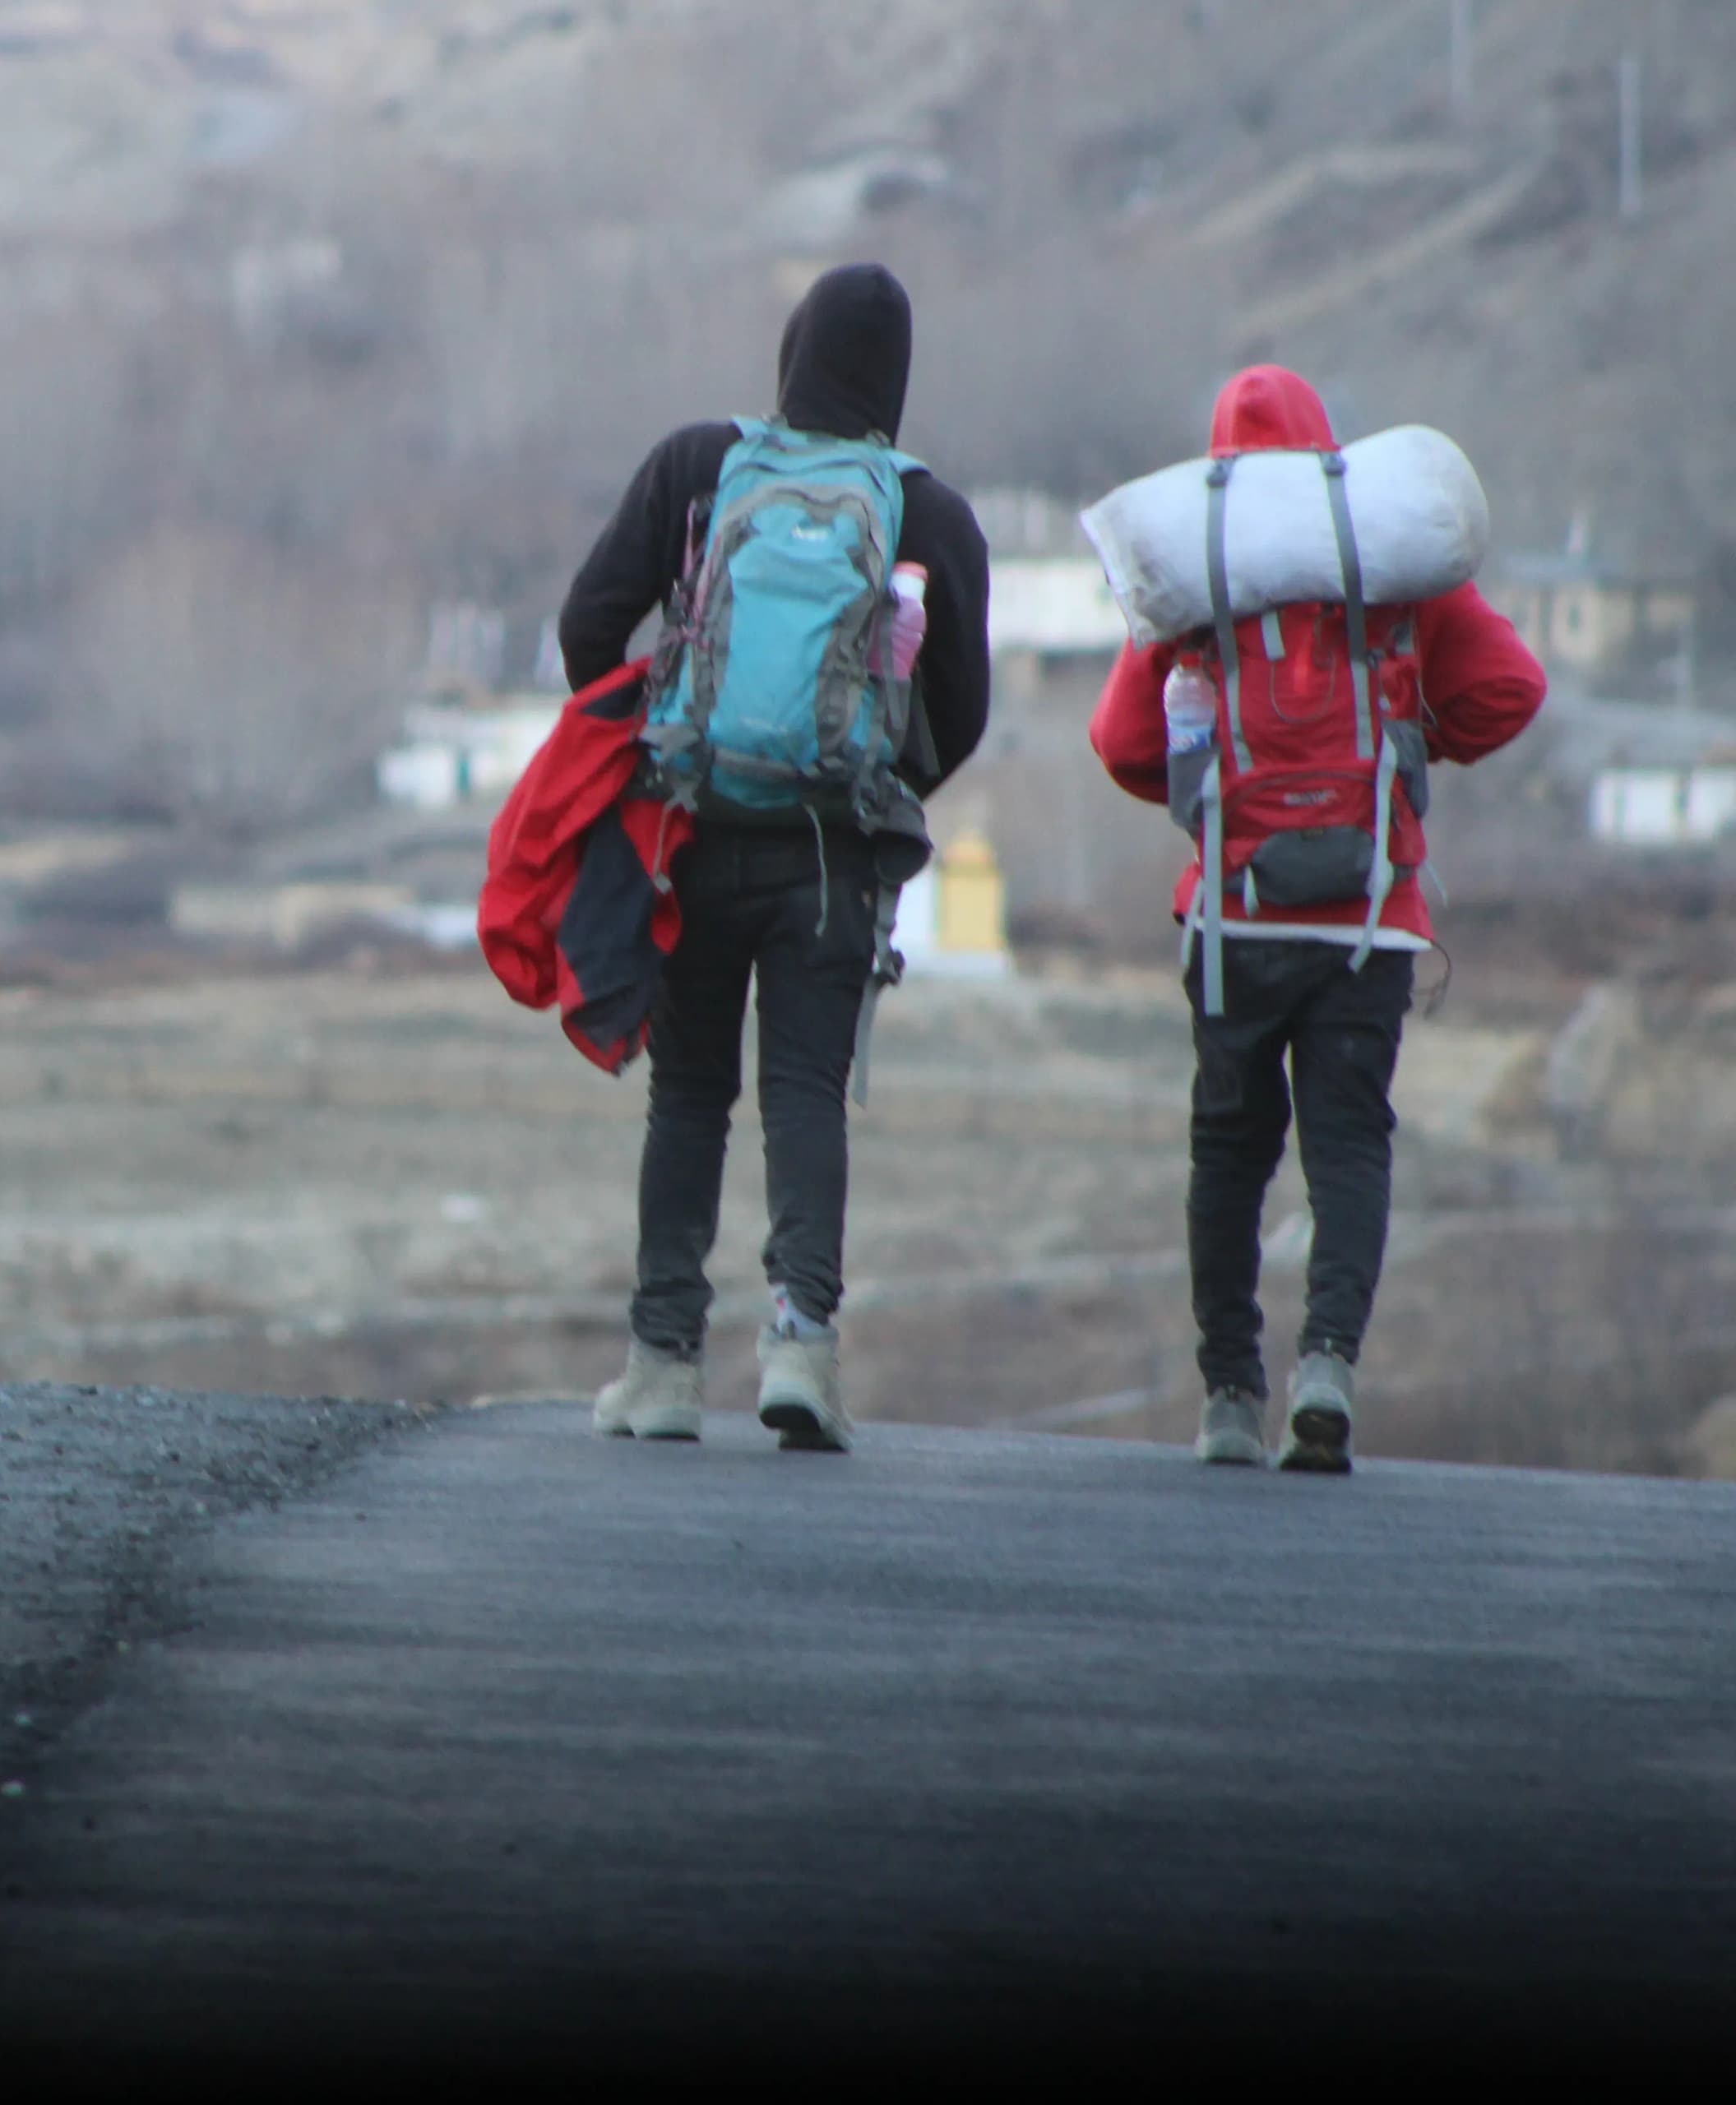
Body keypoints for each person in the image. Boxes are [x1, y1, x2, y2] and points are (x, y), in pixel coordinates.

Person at [557, 263, 993, 1450]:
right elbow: (964, 710)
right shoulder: (926, 513)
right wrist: (873, 793)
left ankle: (660, 1369)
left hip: (693, 832)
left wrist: (648, 739)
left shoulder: (701, 468)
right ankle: (801, 1350)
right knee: (805, 1097)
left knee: (690, 1094)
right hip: (831, 862)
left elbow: (587, 619)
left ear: (792, 350)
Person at [1089, 365, 1544, 1474]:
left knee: (1228, 1155)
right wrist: (1408, 752)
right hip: (1367, 926)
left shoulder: (1206, 569)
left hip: (1233, 924)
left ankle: (1231, 1396)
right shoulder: (1389, 565)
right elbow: (1513, 689)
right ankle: (1328, 1366)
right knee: (1347, 1148)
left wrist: (1215, 802)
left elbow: (1119, 742)